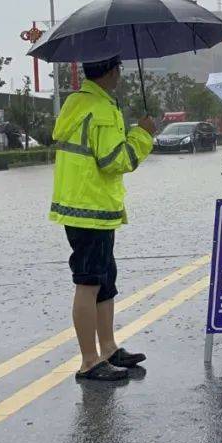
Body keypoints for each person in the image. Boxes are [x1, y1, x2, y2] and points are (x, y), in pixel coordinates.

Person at [49, 57, 156, 381]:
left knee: (104, 279)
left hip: (86, 205)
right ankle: (89, 360)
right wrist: (143, 135)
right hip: (91, 207)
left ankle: (108, 349)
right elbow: (115, 160)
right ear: (111, 71)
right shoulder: (102, 109)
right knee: (89, 281)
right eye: (119, 70)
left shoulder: (77, 102)